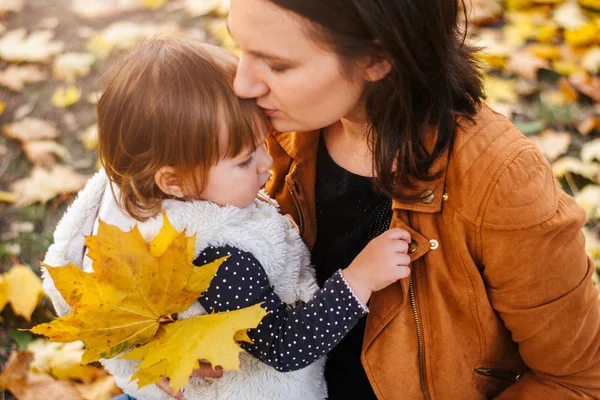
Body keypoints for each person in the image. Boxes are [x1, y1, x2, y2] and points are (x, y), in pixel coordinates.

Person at [222, 0, 600, 399]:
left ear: (377, 58)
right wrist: (186, 340)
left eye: (277, 65)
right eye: (240, 48)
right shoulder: (254, 131)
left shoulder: (500, 181)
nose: (241, 85)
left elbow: (576, 380)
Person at [40, 37, 413, 400]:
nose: (266, 163)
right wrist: (359, 278)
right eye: (245, 160)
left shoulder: (123, 195)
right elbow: (285, 347)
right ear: (174, 180)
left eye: (260, 145)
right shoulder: (217, 256)